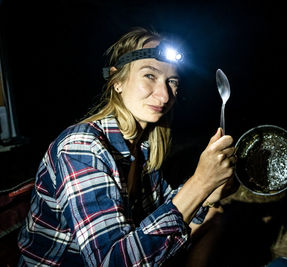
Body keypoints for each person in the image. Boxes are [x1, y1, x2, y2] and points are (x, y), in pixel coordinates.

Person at [17, 26, 237, 266]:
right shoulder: (81, 147)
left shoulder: (144, 147)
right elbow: (113, 261)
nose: (164, 95)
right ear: (117, 81)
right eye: (150, 76)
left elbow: (163, 210)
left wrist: (208, 193)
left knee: (214, 214)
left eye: (171, 81)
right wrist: (200, 183)